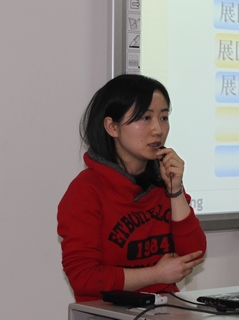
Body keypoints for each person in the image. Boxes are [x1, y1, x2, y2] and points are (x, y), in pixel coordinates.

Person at [58, 74, 207, 302]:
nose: (158, 129)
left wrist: (175, 191)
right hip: (109, 313)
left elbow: (193, 255)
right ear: (112, 126)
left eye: (164, 117)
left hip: (166, 310)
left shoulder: (163, 180)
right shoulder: (86, 191)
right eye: (145, 118)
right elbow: (84, 278)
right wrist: (156, 274)